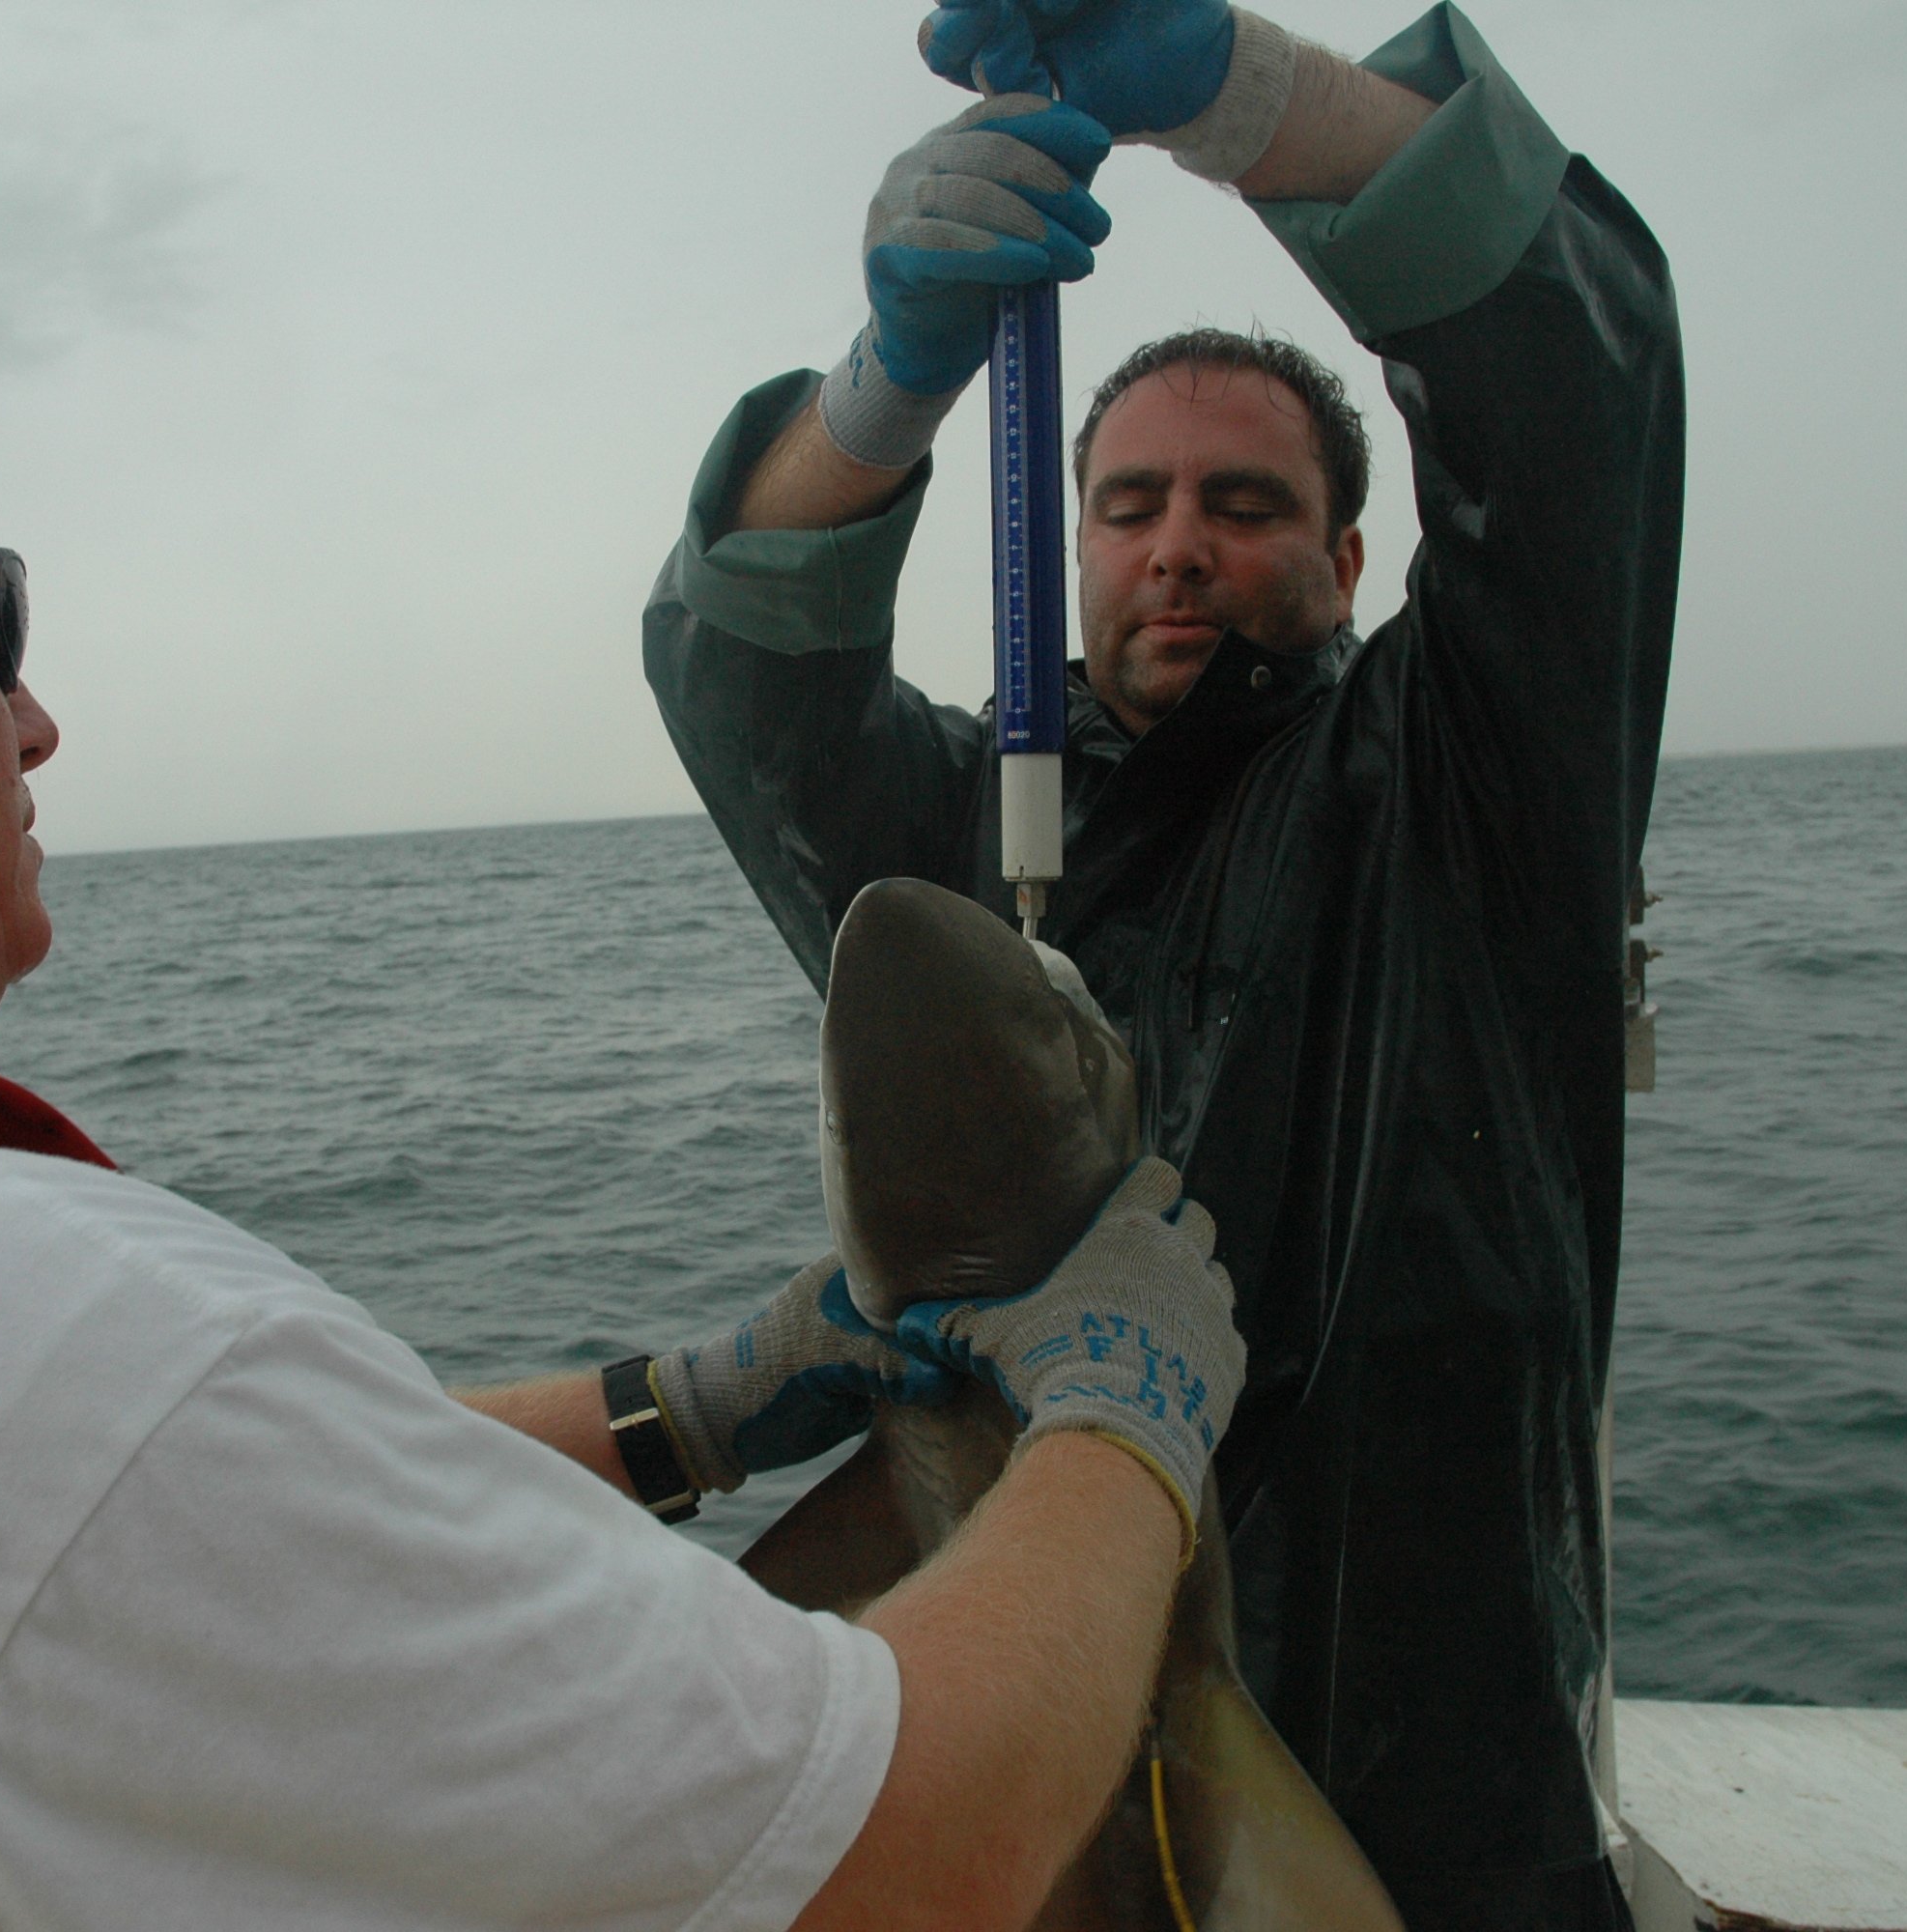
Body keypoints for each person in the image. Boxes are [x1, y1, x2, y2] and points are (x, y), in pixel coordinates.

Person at [0, 259, 1247, 1932]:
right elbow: (893, 1874)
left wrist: (689, 1407)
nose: (33, 717)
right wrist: (1123, 1416)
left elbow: (131, 1555)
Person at [643, 3, 1684, 1926]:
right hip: (1033, 1752)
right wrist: (884, 390)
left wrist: (1238, 89)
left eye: (1246, 502)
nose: (1178, 548)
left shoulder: (1466, 788)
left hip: (1445, 1778)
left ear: (1354, 554)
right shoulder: (965, 844)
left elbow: (1571, 378)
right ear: (1076, 544)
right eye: (1128, 505)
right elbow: (741, 684)